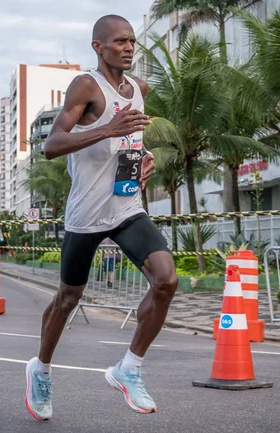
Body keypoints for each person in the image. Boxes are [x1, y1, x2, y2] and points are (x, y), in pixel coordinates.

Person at [25, 14, 178, 422]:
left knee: (166, 279)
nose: (129, 47)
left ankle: (129, 368)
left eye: (132, 41)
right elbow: (53, 145)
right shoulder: (86, 86)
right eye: (120, 41)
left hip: (126, 207)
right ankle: (40, 369)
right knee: (68, 299)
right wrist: (107, 128)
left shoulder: (140, 89)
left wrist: (146, 161)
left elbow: (132, 141)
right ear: (98, 47)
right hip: (85, 214)